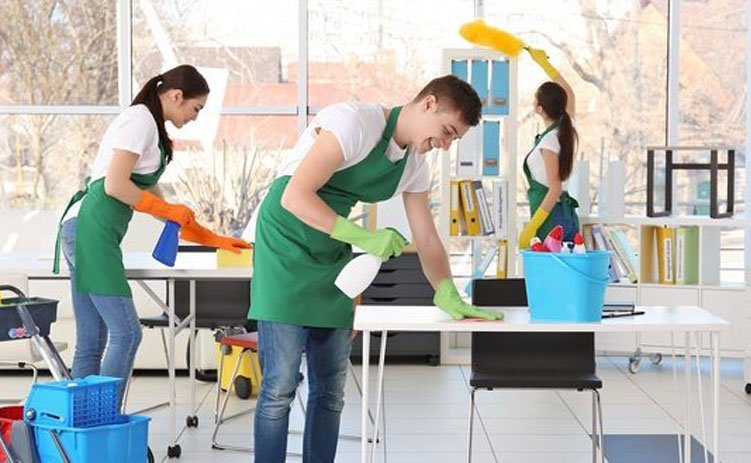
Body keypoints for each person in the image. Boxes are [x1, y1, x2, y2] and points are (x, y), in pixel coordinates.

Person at [248, 75, 504, 462]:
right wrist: (364, 237)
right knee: (280, 387)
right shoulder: (355, 122)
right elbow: (295, 196)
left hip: (332, 245)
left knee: (331, 388)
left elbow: (427, 236)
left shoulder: (414, 165)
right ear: (428, 103)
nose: (446, 145)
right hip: (285, 241)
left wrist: (447, 290)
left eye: (454, 139)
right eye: (447, 132)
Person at [53, 64, 251, 404]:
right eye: (195, 108)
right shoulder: (140, 120)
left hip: (83, 229)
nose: (195, 117)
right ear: (176, 96)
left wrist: (216, 240)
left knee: (92, 337)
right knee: (127, 333)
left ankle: (81, 422)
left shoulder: (151, 128)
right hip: (89, 230)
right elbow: (115, 185)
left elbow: (162, 209)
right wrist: (169, 211)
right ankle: (105, 416)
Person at [516, 53, 581, 250]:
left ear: (540, 109)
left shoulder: (550, 142)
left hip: (551, 218)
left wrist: (532, 227)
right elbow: (569, 91)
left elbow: (555, 188)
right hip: (566, 216)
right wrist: (544, 63)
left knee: (547, 270)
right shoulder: (566, 129)